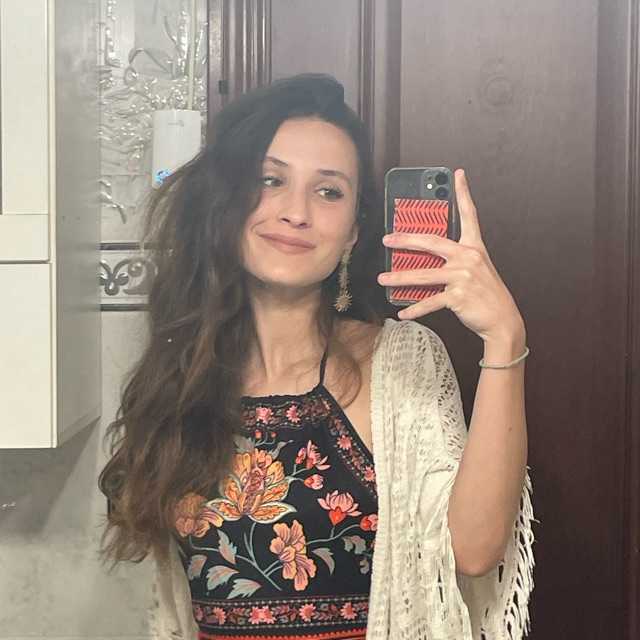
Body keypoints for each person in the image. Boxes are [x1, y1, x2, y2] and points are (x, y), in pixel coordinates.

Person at [99, 73, 536, 640]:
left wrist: (505, 336)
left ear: (353, 231)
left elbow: (474, 551)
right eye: (270, 180)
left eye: (328, 191)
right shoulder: (182, 370)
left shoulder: (399, 360)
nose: (296, 212)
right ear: (227, 202)